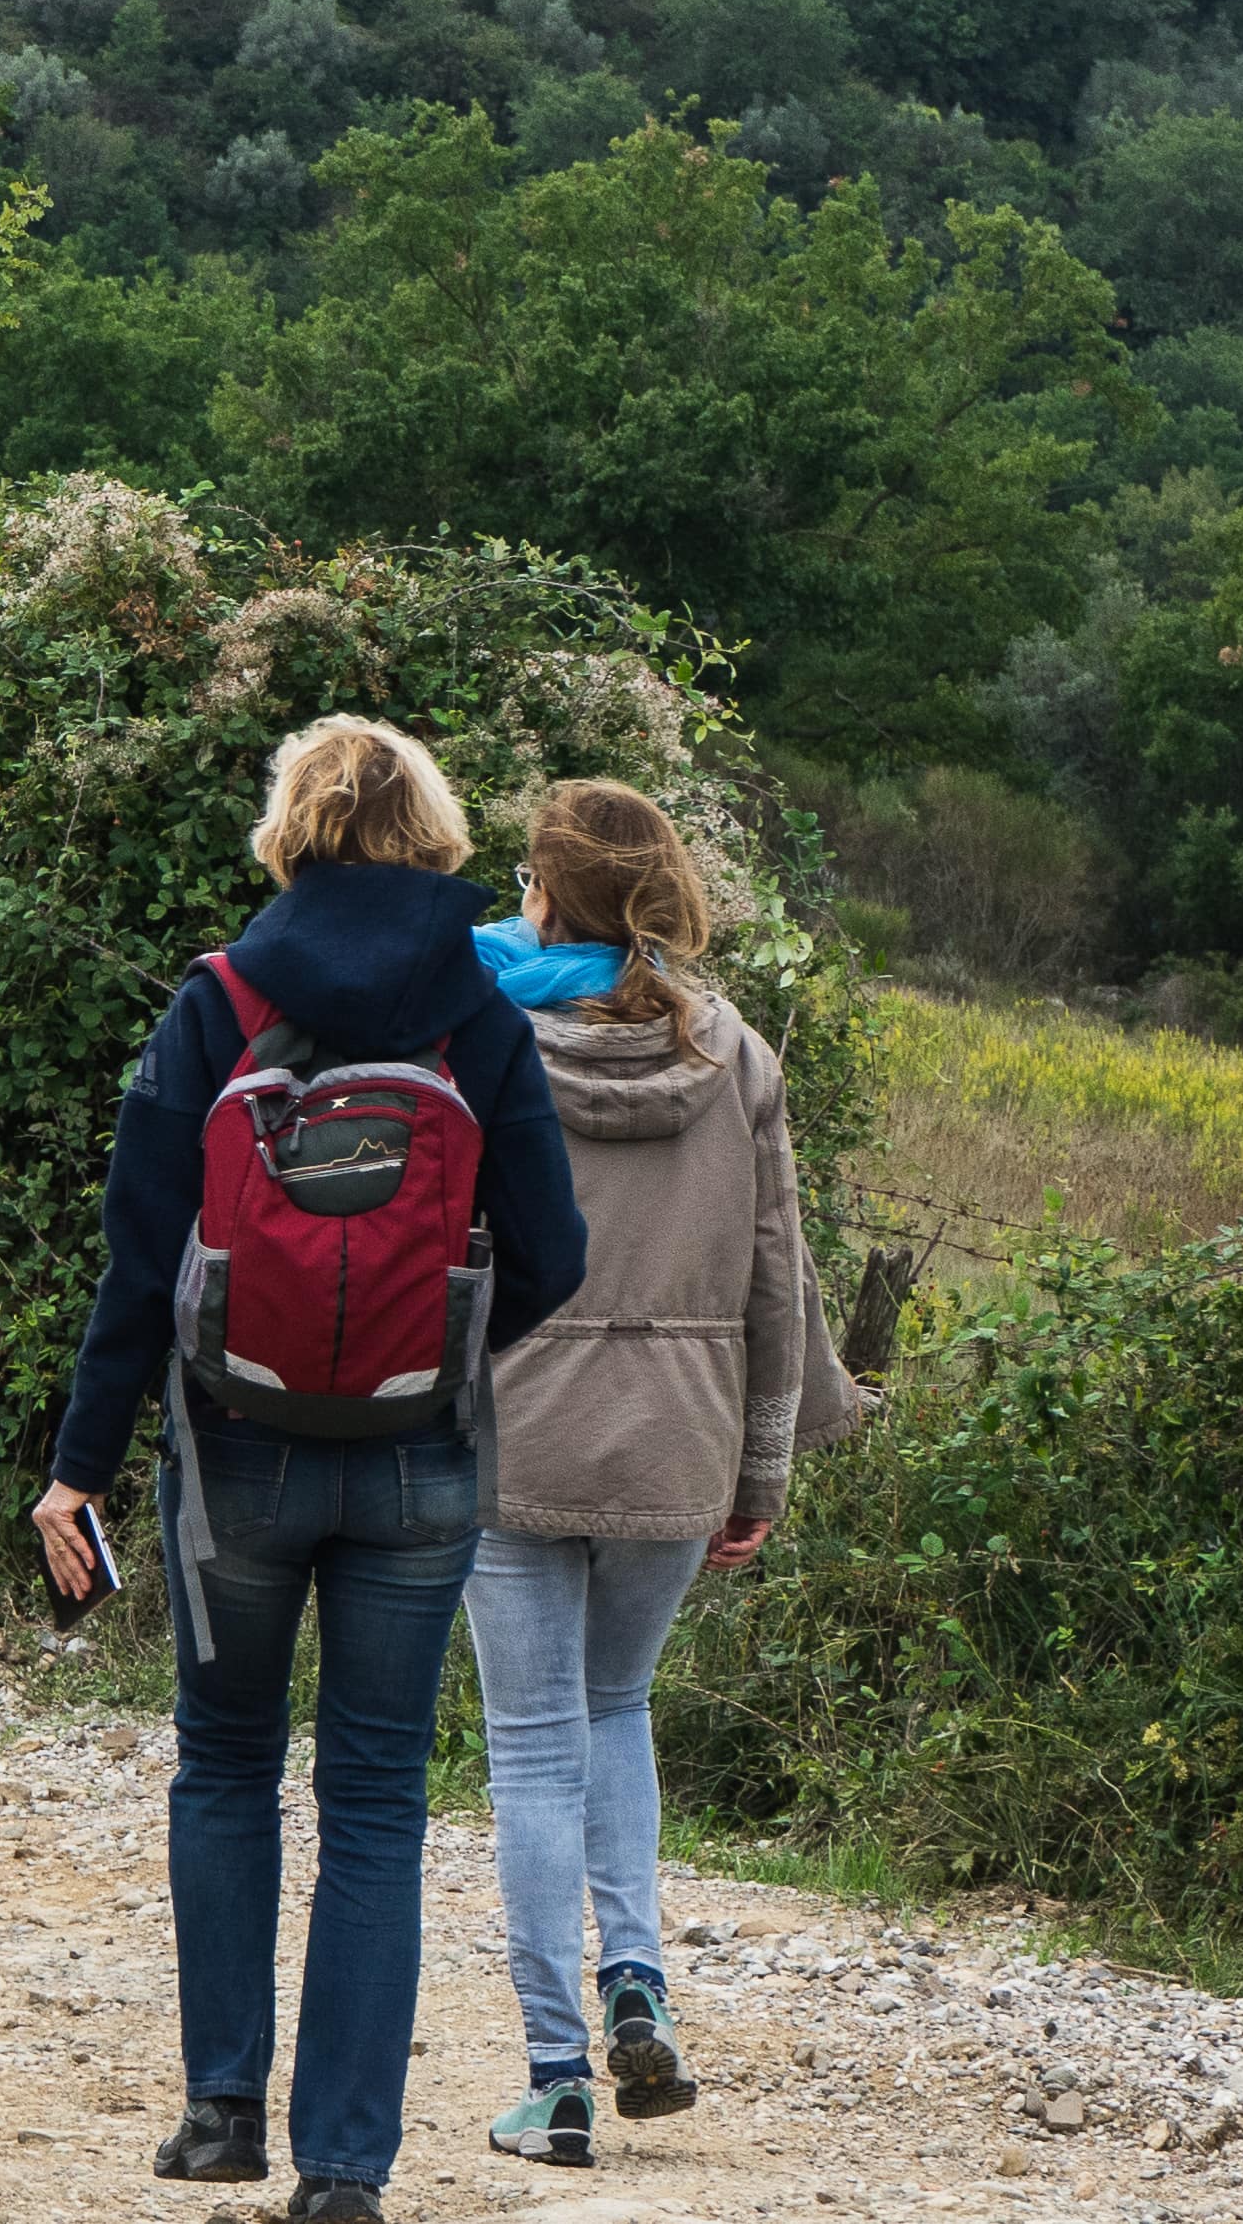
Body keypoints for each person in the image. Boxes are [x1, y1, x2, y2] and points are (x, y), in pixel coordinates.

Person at [29, 716, 588, 2224]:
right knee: (376, 1800)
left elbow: (141, 1263)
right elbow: (557, 1252)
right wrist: (447, 1349)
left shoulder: (218, 999)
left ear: (290, 829)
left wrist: (77, 1465)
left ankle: (221, 2112)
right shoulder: (480, 1009)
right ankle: (344, 2169)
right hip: (419, 1466)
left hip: (233, 1458)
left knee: (224, 1760)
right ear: (431, 832)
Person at [467, 781, 865, 2172]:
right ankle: (638, 1971)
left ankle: (557, 2078)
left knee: (526, 1743)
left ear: (544, 890)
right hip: (681, 1432)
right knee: (616, 1705)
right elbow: (778, 1274)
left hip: (515, 1424)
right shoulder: (736, 1048)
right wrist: (762, 1469)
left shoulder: (482, 1035)